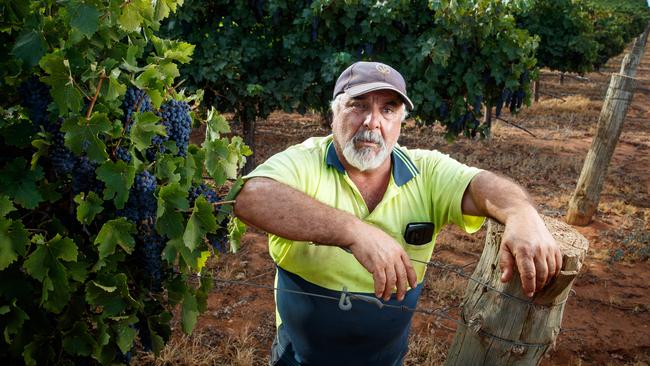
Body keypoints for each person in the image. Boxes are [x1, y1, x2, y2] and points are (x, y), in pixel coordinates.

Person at [233, 61, 562, 366]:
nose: (372, 121)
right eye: (358, 105)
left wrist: (522, 213)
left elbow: (480, 184)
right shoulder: (305, 162)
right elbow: (251, 196)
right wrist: (354, 232)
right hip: (297, 360)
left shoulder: (426, 170)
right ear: (333, 112)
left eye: (387, 109)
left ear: (401, 121)